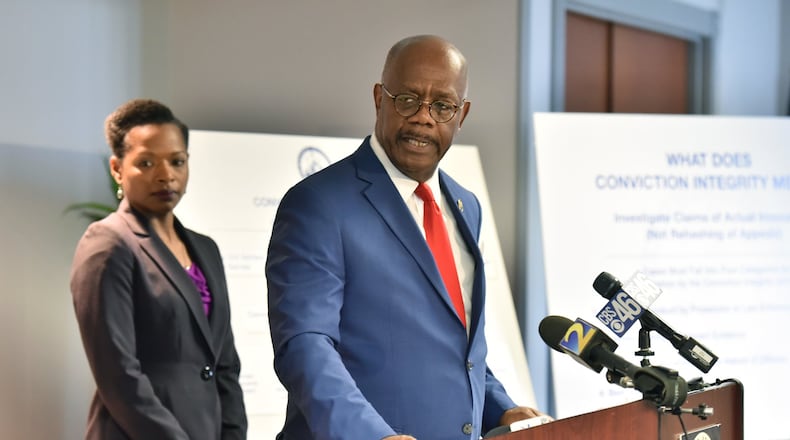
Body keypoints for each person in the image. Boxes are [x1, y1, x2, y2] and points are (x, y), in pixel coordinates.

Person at [266, 35, 547, 440]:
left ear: (461, 114)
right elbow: (305, 343)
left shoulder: (467, 206)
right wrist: (372, 435)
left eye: (442, 105)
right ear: (380, 98)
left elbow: (456, 350)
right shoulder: (318, 204)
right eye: (407, 100)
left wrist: (502, 411)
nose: (423, 117)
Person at [70, 99, 247, 439]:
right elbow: (118, 375)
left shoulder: (205, 248)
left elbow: (224, 364)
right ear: (117, 169)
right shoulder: (108, 244)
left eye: (177, 161)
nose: (166, 175)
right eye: (146, 162)